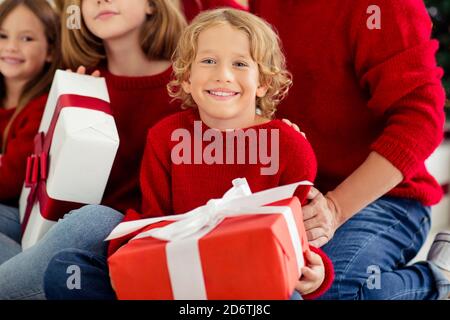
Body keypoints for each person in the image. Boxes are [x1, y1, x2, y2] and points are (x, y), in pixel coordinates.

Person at [44, 8, 334, 300]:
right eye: (208, 61)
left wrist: (318, 274)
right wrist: (130, 253)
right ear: (186, 78)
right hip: (174, 272)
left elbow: (299, 238)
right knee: (67, 269)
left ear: (263, 83)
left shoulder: (290, 147)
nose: (223, 75)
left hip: (246, 282)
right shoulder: (165, 137)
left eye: (240, 64)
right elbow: (152, 218)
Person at [247, 0, 450, 299]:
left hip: (385, 198)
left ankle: (435, 280)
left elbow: (421, 118)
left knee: (331, 292)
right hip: (291, 198)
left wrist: (334, 208)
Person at [0, 0, 61, 264]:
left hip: (18, 215)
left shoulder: (40, 107)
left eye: (26, 38)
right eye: (2, 35)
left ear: (49, 51)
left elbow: (9, 181)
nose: (11, 46)